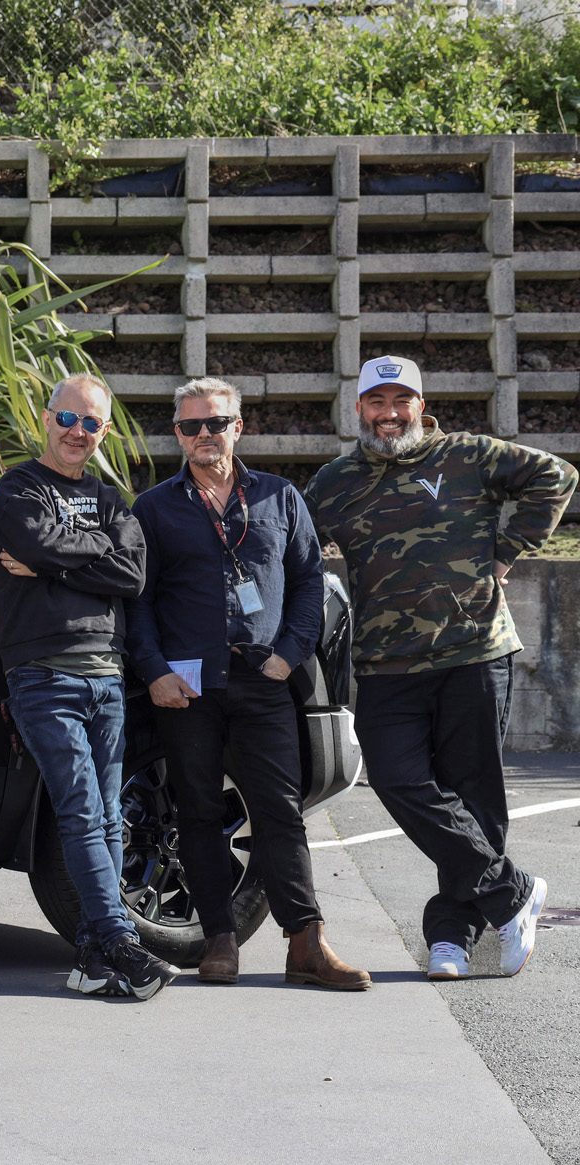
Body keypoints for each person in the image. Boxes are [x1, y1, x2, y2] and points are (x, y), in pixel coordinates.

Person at [307, 356, 575, 980]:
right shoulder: (335, 482)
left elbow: (555, 475)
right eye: (378, 402)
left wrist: (505, 552)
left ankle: (451, 936)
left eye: (402, 401)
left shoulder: (467, 455)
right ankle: (512, 893)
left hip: (474, 652)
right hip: (385, 664)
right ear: (359, 410)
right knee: (399, 781)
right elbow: (296, 549)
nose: (390, 413)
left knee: (474, 796)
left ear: (420, 406)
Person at [128, 377, 369, 989]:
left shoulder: (280, 497)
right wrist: (153, 671)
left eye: (215, 423)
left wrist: (289, 655)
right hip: (188, 688)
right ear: (177, 435)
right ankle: (220, 940)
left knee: (279, 812)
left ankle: (307, 942)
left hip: (264, 679)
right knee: (201, 812)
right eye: (190, 427)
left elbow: (310, 580)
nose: (203, 436)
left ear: (239, 426)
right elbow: (138, 601)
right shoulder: (153, 509)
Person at [0, 373, 179, 1000]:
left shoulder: (111, 498)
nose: (79, 433)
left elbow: (133, 570)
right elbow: (30, 538)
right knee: (83, 812)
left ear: (104, 432)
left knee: (109, 817)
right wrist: (85, 555)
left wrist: (55, 560)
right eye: (69, 419)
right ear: (47, 419)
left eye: (92, 424)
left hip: (107, 674)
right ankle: (119, 938)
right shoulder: (19, 488)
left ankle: (96, 957)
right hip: (43, 674)